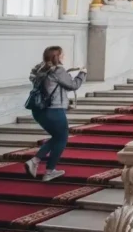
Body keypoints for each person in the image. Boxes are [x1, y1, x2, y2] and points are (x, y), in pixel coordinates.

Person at [24, 46, 86, 181]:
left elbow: (51, 87)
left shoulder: (38, 69)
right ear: (57, 56)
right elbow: (73, 85)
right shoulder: (58, 70)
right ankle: (48, 170)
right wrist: (82, 73)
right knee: (62, 139)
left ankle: (35, 161)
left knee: (57, 137)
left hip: (38, 110)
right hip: (54, 110)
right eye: (63, 54)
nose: (64, 56)